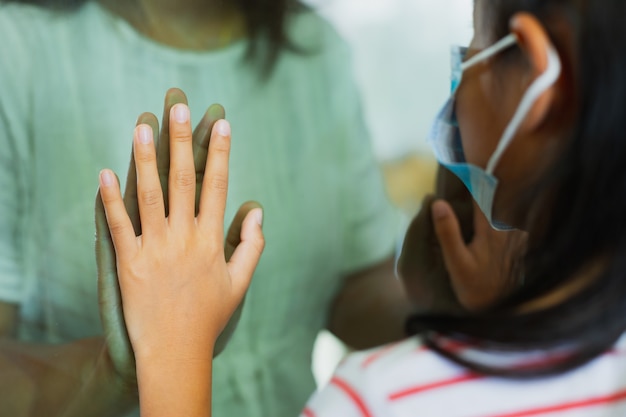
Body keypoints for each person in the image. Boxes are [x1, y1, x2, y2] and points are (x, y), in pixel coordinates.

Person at [101, 0, 626, 415]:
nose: (461, 73)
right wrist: (491, 319)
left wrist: (174, 353)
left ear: (539, 81)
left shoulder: (374, 399)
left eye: (476, 44)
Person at [0, 0, 410, 416]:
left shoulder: (315, 49)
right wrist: (116, 369)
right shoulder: (17, 50)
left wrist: (452, 304)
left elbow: (357, 288)